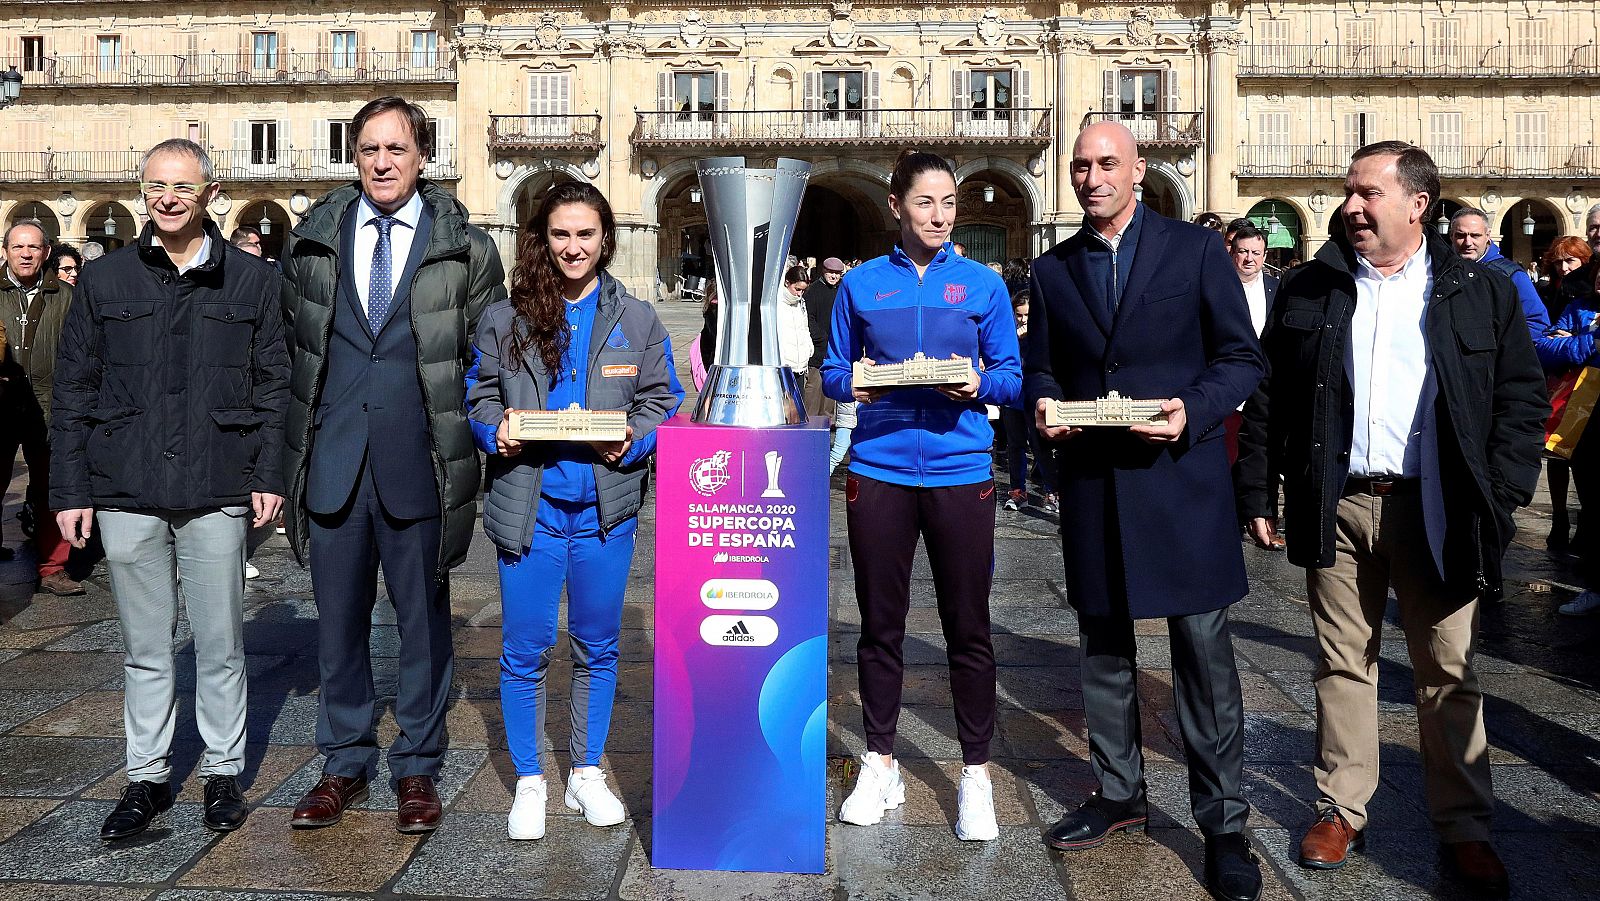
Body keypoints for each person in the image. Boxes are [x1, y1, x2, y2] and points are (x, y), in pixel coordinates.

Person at [1237, 142, 1545, 898]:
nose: (1351, 205)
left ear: (1418, 204)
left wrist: (1499, 499)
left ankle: (1465, 827)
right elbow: (1271, 396)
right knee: (1342, 662)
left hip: (1437, 506)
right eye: (1348, 191)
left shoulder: (1479, 289)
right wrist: (1257, 492)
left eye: (1368, 192)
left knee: (1447, 671)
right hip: (1336, 502)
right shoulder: (1311, 285)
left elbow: (1520, 401)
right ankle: (1341, 808)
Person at [1027, 122, 1265, 901]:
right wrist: (1044, 407)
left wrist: (1189, 412)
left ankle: (1224, 824)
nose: (1091, 177)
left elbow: (1240, 359)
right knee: (1102, 648)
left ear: (1137, 170)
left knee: (1203, 659)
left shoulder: (1195, 252)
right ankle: (1120, 793)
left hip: (1180, 483)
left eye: (1106, 164)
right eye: (1080, 165)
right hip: (1096, 488)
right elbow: (1044, 368)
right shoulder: (1052, 269)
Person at [280, 96, 507, 834]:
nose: (383, 163)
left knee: (424, 623)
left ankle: (417, 765)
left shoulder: (466, 248)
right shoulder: (314, 239)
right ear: (356, 157)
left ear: (422, 157)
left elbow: (490, 359)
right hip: (336, 461)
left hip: (421, 460)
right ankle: (342, 760)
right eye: (370, 150)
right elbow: (294, 349)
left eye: (397, 149)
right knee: (336, 624)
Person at [50, 138, 289, 840]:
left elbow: (277, 385)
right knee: (145, 646)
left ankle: (222, 771)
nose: (168, 197)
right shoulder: (104, 280)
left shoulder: (252, 281)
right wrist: (69, 489)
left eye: (182, 185)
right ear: (142, 192)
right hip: (125, 485)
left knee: (219, 643)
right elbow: (73, 392)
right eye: (156, 184)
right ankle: (147, 775)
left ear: (211, 193)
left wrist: (269, 473)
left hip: (218, 481)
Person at [467, 182, 683, 841]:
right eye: (561, 233)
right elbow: (476, 398)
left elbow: (663, 400)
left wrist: (633, 437)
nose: (573, 246)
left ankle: (585, 770)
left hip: (604, 512)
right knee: (525, 647)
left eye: (585, 233)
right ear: (542, 238)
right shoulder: (504, 318)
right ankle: (531, 779)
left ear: (606, 238)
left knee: (598, 644)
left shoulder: (637, 319)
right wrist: (495, 430)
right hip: (528, 508)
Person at [823, 150, 1021, 843]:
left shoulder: (984, 285)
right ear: (895, 206)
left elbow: (1010, 376)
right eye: (925, 203)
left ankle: (975, 773)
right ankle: (881, 761)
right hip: (878, 469)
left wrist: (977, 383)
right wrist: (859, 382)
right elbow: (831, 371)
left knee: (969, 628)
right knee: (881, 625)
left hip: (961, 469)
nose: (939, 215)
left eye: (948, 203)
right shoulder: (861, 285)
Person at [0, 219, 78, 592]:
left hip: (51, 406)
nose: (26, 254)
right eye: (18, 247)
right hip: (0, 408)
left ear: (46, 252)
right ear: (5, 252)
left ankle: (53, 566)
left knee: (52, 487)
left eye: (33, 247)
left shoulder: (66, 296)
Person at [1536, 261, 1600, 615]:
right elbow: (1545, 347)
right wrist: (1589, 341)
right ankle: (1592, 585)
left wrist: (1574, 343)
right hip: (1584, 415)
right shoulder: (1580, 308)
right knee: (1590, 501)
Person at [1537, 236, 1593, 554]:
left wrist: (1572, 339)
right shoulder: (1548, 290)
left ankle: (1583, 522)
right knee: (1556, 452)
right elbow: (1544, 338)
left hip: (1583, 385)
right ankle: (1560, 517)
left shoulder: (1585, 297)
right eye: (1558, 261)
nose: (1564, 266)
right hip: (1558, 381)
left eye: (1570, 260)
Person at [1223, 225, 1281, 482]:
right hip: (1227, 390)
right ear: (1232, 253)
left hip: (1265, 388)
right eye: (1243, 251)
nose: (1250, 259)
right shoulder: (1215, 285)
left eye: (1256, 253)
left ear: (1265, 256)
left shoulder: (1278, 289)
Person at [1449, 208, 1550, 340]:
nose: (1468, 243)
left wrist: (1497, 350)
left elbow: (1536, 323)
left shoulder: (1511, 275)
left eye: (1475, 235)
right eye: (1461, 235)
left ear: (1488, 235)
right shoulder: (1442, 272)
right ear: (1451, 236)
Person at [1000, 287, 1057, 514]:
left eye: (1027, 315)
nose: (1023, 319)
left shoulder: (1042, 333)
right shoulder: (1009, 333)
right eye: (1019, 315)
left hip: (1034, 396)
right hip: (1014, 397)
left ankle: (1052, 490)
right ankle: (1017, 489)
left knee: (1041, 445)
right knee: (1015, 445)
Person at [802, 257, 845, 417]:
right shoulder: (813, 291)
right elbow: (808, 318)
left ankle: (827, 424)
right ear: (824, 271)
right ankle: (809, 426)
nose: (834, 276)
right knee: (814, 388)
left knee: (830, 389)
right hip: (818, 347)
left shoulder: (840, 290)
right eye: (831, 273)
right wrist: (820, 338)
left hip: (834, 348)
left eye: (837, 274)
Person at [779, 265, 813, 377]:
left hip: (800, 367)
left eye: (803, 290)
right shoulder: (776, 304)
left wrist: (808, 349)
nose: (799, 294)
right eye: (797, 289)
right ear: (787, 283)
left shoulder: (801, 303)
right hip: (782, 368)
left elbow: (805, 328)